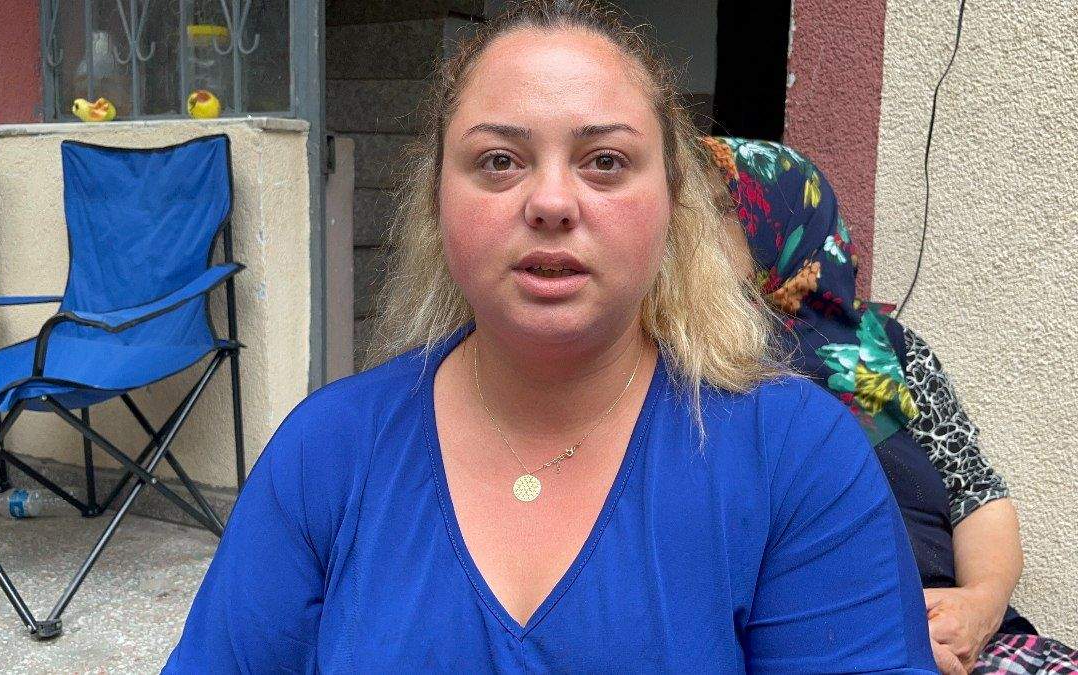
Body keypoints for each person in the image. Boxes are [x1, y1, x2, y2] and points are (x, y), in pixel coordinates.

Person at [163, 2, 937, 671]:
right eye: (500, 160)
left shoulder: (796, 456)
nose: (552, 201)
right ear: (436, 201)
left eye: (605, 161)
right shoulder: (325, 452)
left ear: (673, 205)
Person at [705, 135, 1078, 675]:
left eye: (718, 207)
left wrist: (978, 607)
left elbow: (976, 494)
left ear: (781, 219)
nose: (686, 226)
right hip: (812, 639)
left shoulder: (889, 350)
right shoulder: (689, 366)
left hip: (959, 635)